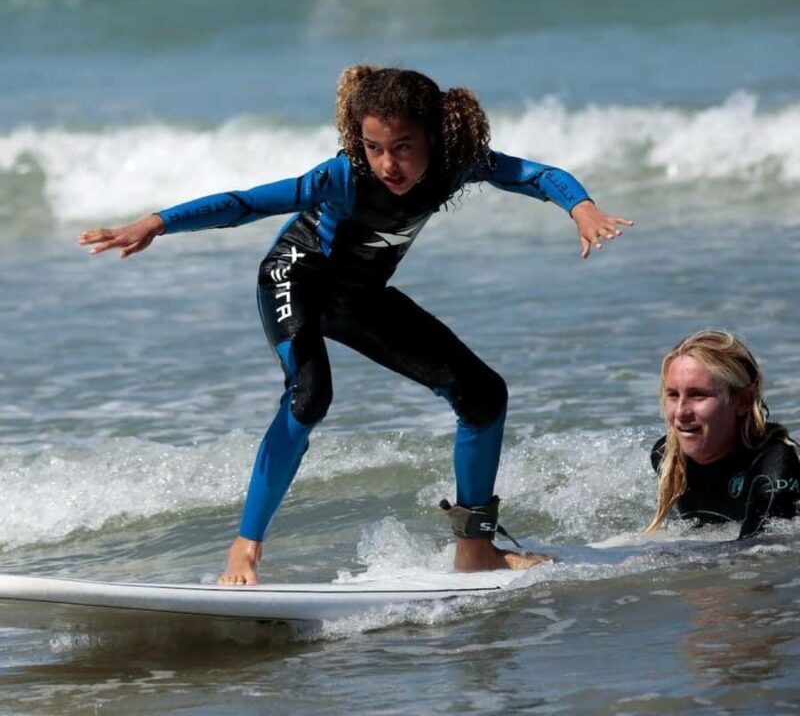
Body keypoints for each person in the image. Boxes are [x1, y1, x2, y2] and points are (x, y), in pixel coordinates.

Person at [79, 65, 633, 584]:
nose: (387, 164)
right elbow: (247, 203)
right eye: (373, 148)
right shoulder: (341, 176)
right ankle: (245, 545)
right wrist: (158, 222)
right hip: (294, 279)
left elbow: (536, 175)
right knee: (310, 395)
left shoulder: (459, 162)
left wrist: (579, 207)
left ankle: (475, 549)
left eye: (402, 148)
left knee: (484, 396)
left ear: (435, 138)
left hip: (359, 296)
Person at [645, 330, 800, 540]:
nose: (680, 411)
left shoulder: (773, 466)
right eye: (673, 395)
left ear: (743, 402)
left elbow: (758, 554)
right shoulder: (666, 456)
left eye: (697, 395)